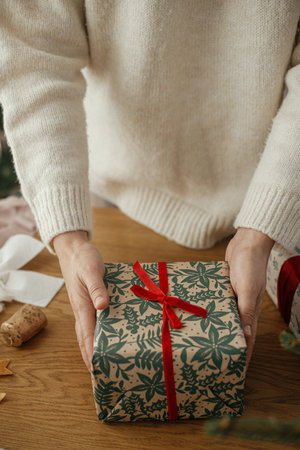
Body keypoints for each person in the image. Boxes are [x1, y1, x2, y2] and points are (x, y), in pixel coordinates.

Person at [0, 1, 299, 372]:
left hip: (267, 208)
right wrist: (69, 241)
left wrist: (259, 231)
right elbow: (34, 58)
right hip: (103, 202)